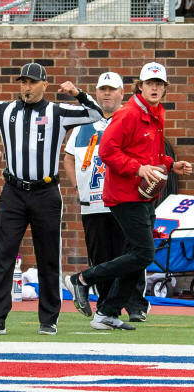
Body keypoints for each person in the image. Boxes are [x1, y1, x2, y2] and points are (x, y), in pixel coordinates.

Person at [0, 63, 103, 336]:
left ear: (44, 85)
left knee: (49, 256)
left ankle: (49, 319)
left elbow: (96, 113)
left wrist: (78, 94)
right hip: (13, 192)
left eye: (33, 82)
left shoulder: (58, 112)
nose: (27, 87)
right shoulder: (4, 110)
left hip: (46, 192)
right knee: (3, 255)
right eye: (23, 82)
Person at [65, 62, 192, 331]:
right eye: (150, 83)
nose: (155, 88)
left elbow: (152, 153)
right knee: (144, 253)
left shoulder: (156, 113)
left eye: (159, 84)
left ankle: (106, 312)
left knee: (139, 255)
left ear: (165, 88)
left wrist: (171, 165)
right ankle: (82, 279)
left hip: (144, 195)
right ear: (140, 86)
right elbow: (107, 151)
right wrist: (138, 168)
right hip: (124, 195)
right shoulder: (128, 114)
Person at [63, 71, 150, 322]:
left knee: (131, 254)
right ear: (97, 93)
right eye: (103, 89)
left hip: (124, 200)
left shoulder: (129, 119)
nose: (107, 94)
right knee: (100, 257)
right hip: (92, 203)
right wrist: (77, 187)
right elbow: (69, 158)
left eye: (112, 89)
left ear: (122, 93)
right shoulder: (83, 123)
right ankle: (105, 305)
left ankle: (135, 305)